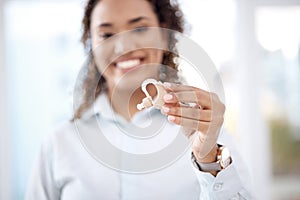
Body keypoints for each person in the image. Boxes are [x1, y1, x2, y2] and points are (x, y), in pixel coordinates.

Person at [26, 0, 253, 199]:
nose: (124, 46)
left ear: (164, 34)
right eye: (106, 34)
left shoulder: (206, 132)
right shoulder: (59, 144)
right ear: (91, 44)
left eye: (140, 28)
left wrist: (208, 160)